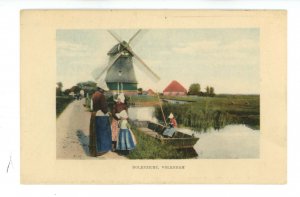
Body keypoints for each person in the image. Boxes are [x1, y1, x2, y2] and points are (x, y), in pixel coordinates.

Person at [89, 87, 112, 156]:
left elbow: (91, 107)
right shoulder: (101, 96)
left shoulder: (94, 95)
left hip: (95, 115)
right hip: (102, 115)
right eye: (103, 90)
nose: (104, 91)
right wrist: (108, 112)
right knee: (103, 132)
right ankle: (102, 149)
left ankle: (96, 150)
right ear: (101, 89)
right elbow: (104, 107)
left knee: (96, 132)